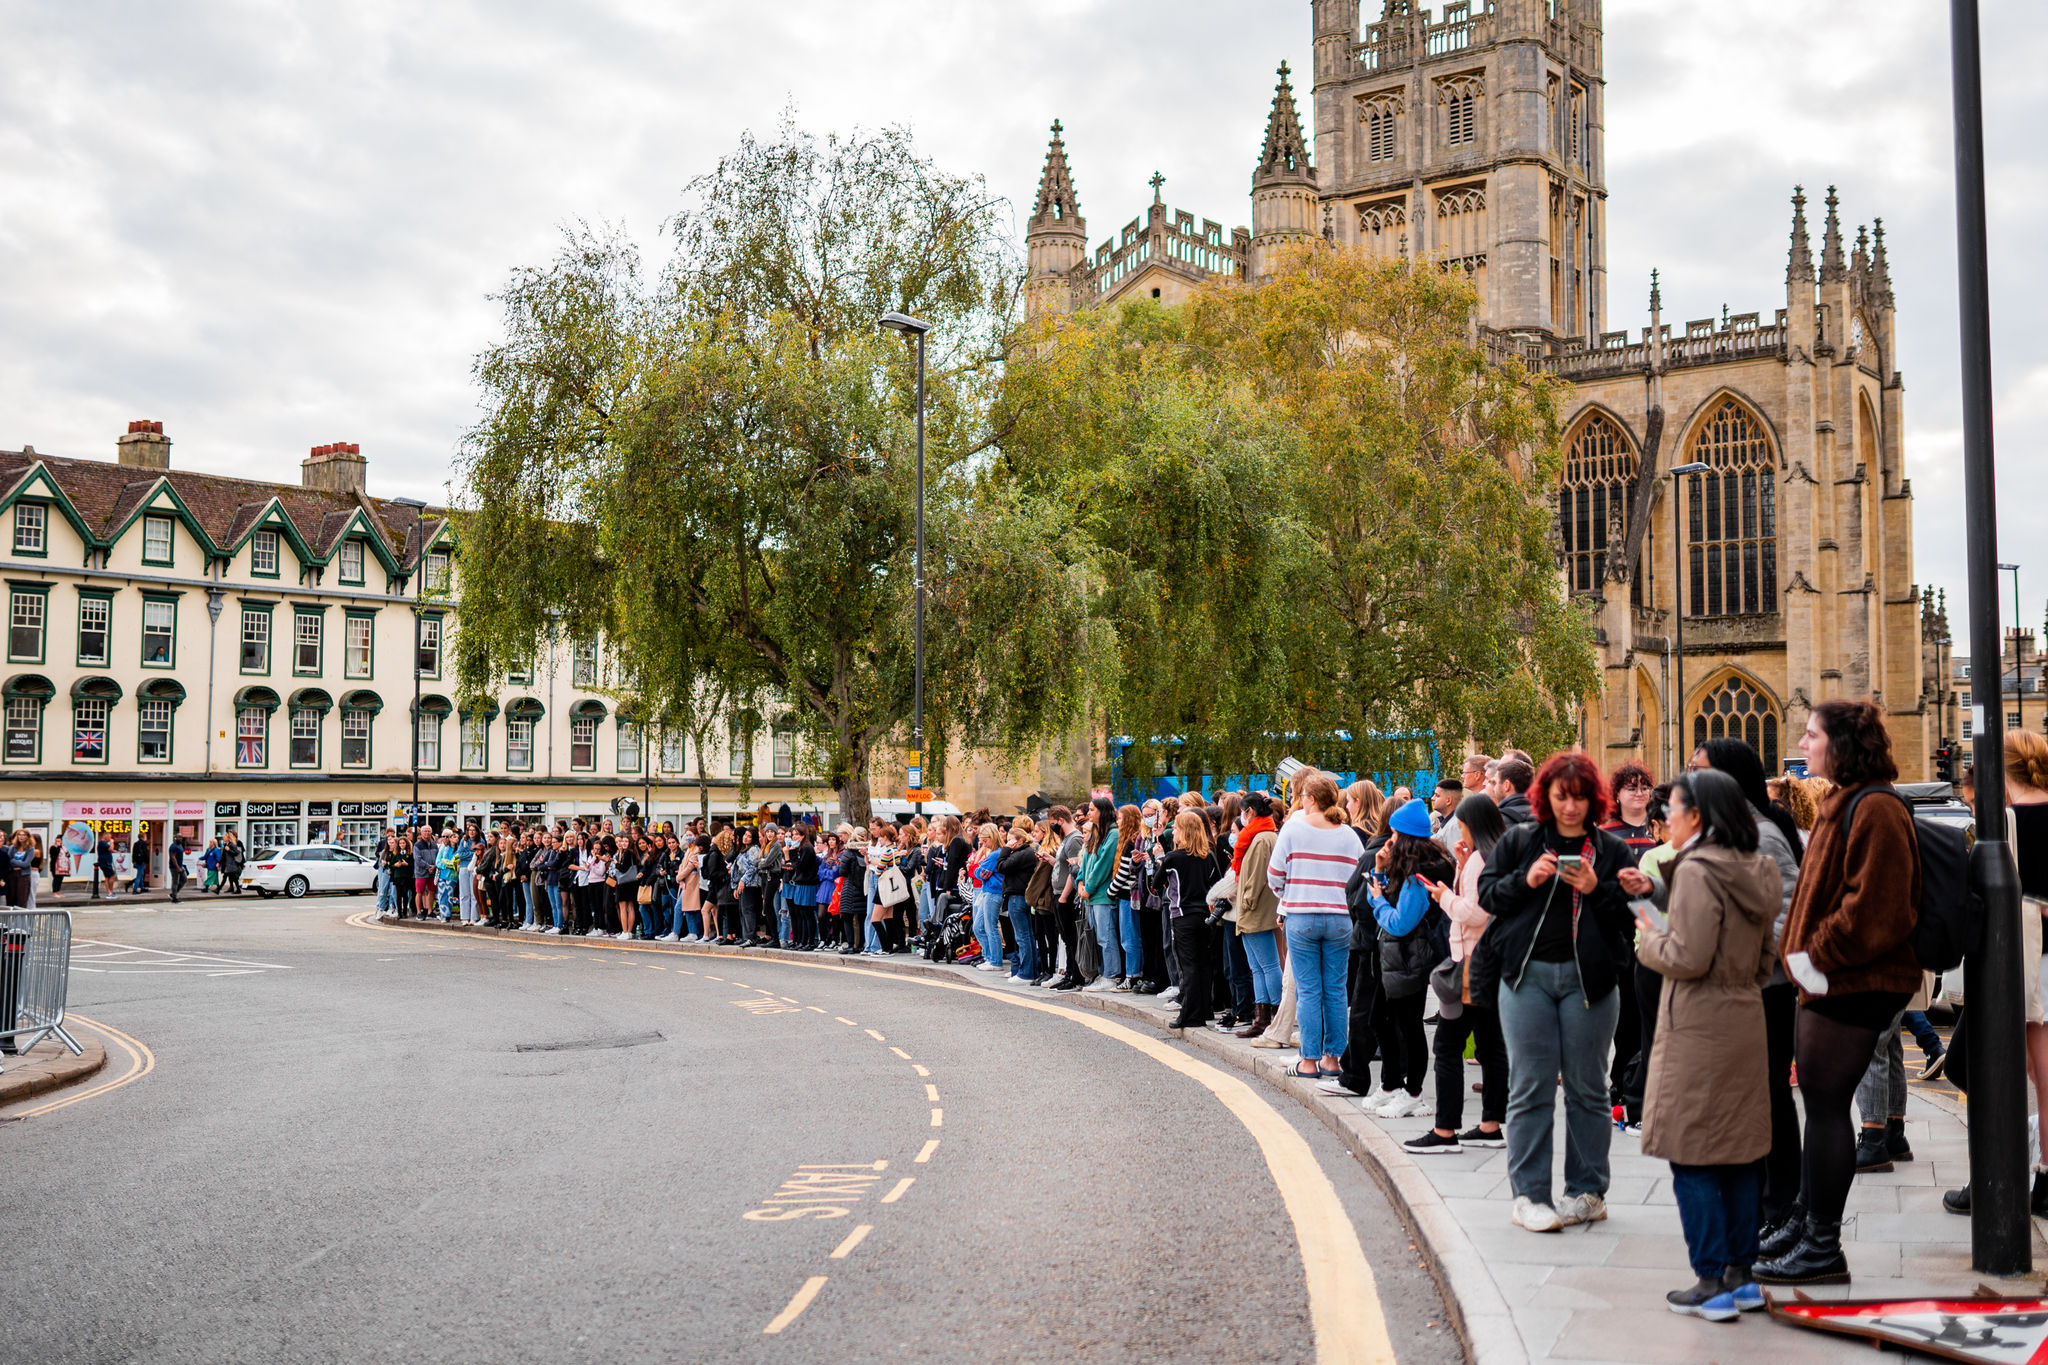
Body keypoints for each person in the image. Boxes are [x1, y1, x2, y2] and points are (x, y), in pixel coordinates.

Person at [1756, 700, 1921, 1286]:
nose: (1802, 742)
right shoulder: (1848, 800)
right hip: (1831, 982)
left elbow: (1875, 908)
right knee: (1820, 1110)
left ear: (1842, 743)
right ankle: (1806, 1224)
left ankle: (1822, 1246)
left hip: (1852, 982)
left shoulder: (1875, 806)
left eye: (1811, 734)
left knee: (1827, 1112)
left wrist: (1811, 954)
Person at [1634, 770, 1782, 1319]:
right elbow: (1766, 955)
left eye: (1671, 809)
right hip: (1744, 1014)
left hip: (1697, 1022)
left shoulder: (1697, 869)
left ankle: (1710, 1280)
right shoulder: (1757, 866)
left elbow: (1687, 957)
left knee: (1692, 1153)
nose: (1665, 818)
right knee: (1740, 1152)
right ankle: (1742, 1277)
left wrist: (1650, 937)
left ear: (1697, 816)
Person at [1478, 751, 1647, 1234]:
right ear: (1545, 797)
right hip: (1527, 978)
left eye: (1577, 798)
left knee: (1588, 1088)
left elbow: (1630, 914)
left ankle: (1587, 1192)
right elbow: (1489, 895)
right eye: (1560, 797)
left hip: (1590, 983)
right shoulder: (1520, 841)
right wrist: (1525, 880)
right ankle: (1529, 1196)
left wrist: (1597, 887)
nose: (1570, 807)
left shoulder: (1611, 849)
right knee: (1530, 1086)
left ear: (1591, 799)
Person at [1945, 730, 2048, 1218]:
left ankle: (2001, 1175)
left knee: (2010, 1071)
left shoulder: (2006, 821)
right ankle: (2039, 1180)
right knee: (2041, 1079)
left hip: (2022, 965)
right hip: (2043, 965)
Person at [1404, 794, 1510, 1155]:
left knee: (1447, 1046)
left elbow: (1475, 913)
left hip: (1471, 962)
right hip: (1493, 962)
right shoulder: (1494, 855)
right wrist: (1462, 866)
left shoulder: (1481, 859)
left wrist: (1445, 895)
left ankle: (1445, 1130)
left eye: (1462, 824)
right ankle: (1491, 1125)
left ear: (1472, 825)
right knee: (1492, 1045)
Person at [1359, 800, 1456, 1114]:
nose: (1390, 839)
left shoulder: (1418, 873)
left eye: (1395, 833)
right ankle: (1391, 1085)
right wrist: (1378, 870)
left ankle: (1412, 1093)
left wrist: (1376, 900)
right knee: (1382, 1020)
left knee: (1407, 1025)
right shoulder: (1418, 862)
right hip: (1399, 957)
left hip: (1408, 955)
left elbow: (1400, 923)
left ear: (1405, 836)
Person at [1266, 773, 1358, 1083]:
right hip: (1340, 917)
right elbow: (1358, 878)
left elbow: (1274, 875)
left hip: (1303, 915)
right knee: (1335, 989)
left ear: (1312, 799)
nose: (1301, 802)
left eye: (1304, 797)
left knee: (1308, 990)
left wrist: (1289, 896)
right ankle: (1333, 1059)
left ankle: (1308, 1060)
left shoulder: (1293, 829)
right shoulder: (1348, 835)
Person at [1151, 808, 1219, 1029]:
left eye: (1177, 829)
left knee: (1187, 965)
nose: (1173, 833)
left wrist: (1159, 860)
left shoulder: (1173, 858)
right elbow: (1217, 883)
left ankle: (1190, 1014)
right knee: (1203, 964)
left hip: (1182, 915)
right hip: (1205, 915)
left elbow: (1156, 884)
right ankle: (1205, 1009)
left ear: (1185, 832)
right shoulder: (1208, 856)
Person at [1232, 791, 1282, 1037]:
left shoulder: (1262, 838)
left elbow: (1258, 876)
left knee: (1268, 965)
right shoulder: (1262, 835)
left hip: (1256, 908)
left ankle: (1273, 1016)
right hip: (1255, 908)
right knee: (1258, 967)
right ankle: (1262, 1018)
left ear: (1249, 811)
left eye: (1243, 811)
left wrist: (1247, 901)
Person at [166, 832, 187, 903]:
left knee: (184, 879)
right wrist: (178, 868)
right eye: (179, 837)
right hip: (174, 867)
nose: (180, 838)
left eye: (181, 837)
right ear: (175, 838)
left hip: (180, 866)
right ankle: (174, 899)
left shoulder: (180, 845)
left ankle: (173, 894)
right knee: (175, 882)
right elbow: (173, 857)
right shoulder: (173, 846)